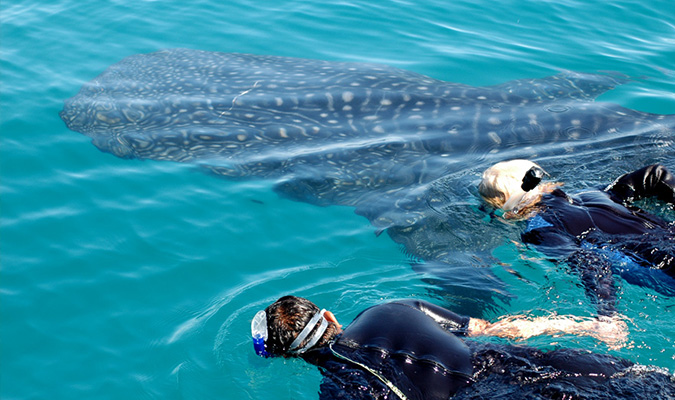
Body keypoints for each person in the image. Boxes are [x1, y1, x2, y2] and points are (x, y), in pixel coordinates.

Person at [251, 296, 673, 400]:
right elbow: (498, 329)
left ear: (288, 356)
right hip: (520, 362)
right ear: (327, 317)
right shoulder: (393, 308)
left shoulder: (339, 390)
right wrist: (578, 326)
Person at [478, 160, 675, 316]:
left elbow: (588, 260)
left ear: (504, 209)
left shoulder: (540, 230)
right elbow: (656, 174)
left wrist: (606, 313)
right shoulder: (596, 193)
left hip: (666, 266)